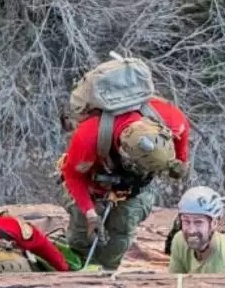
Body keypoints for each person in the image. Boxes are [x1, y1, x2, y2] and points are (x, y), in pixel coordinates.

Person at [61, 93, 190, 270]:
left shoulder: (172, 120)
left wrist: (180, 160)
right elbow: (73, 177)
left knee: (120, 235)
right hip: (93, 184)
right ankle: (78, 266)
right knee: (81, 234)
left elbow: (184, 128)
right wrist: (90, 214)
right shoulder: (89, 136)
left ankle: (107, 271)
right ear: (123, 152)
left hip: (134, 190)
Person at [168, 187, 225, 274]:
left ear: (214, 223)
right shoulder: (179, 241)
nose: (191, 230)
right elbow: (175, 280)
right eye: (186, 221)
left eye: (198, 222)